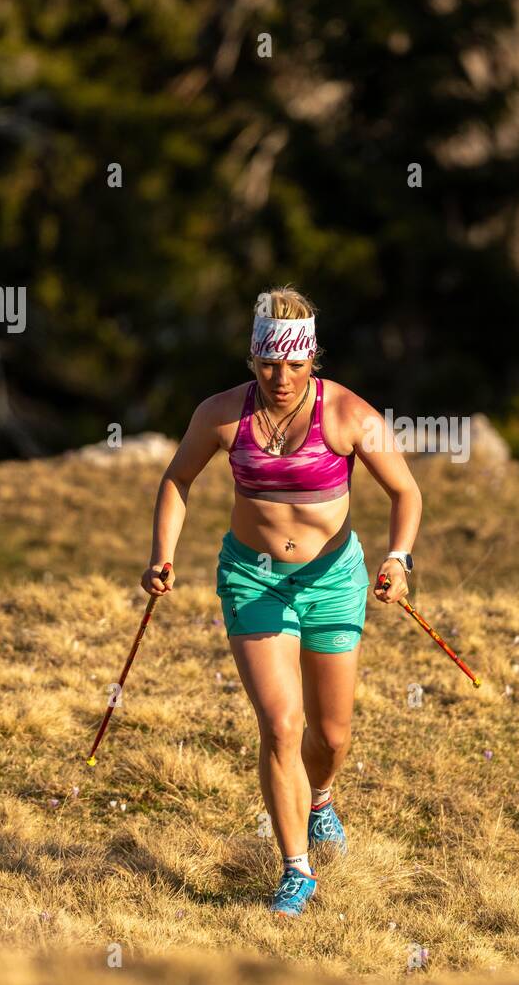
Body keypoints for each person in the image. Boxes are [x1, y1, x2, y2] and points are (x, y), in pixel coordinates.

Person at [141, 285, 422, 915]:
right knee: (281, 725)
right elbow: (177, 478)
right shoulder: (220, 415)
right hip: (254, 579)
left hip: (332, 580)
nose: (282, 378)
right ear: (253, 358)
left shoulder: (350, 415)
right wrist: (162, 553)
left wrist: (398, 559)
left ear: (312, 359)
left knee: (332, 735)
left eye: (295, 365)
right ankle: (296, 868)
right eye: (270, 364)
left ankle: (319, 797)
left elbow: (406, 493)